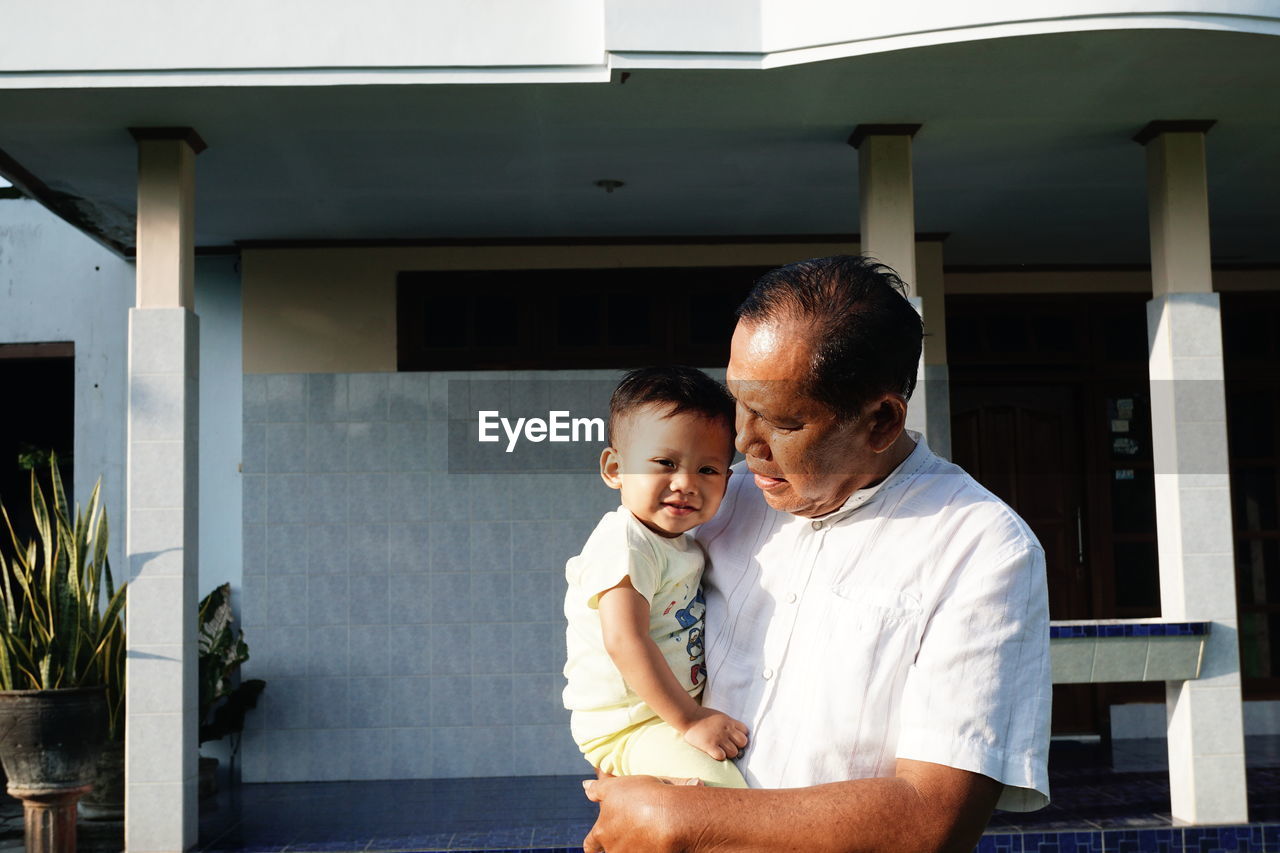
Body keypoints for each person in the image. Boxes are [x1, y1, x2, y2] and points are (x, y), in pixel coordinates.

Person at [582, 256, 1051, 853]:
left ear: (881, 420)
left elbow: (935, 819)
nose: (743, 443)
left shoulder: (981, 547)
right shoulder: (721, 503)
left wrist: (685, 818)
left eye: (780, 421)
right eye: (737, 404)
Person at [563, 366, 750, 788]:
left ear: (728, 480)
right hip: (629, 728)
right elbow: (624, 638)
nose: (684, 483)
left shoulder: (678, 542)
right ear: (614, 469)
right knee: (724, 795)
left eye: (708, 470)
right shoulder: (626, 542)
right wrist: (692, 718)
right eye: (664, 463)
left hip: (660, 718)